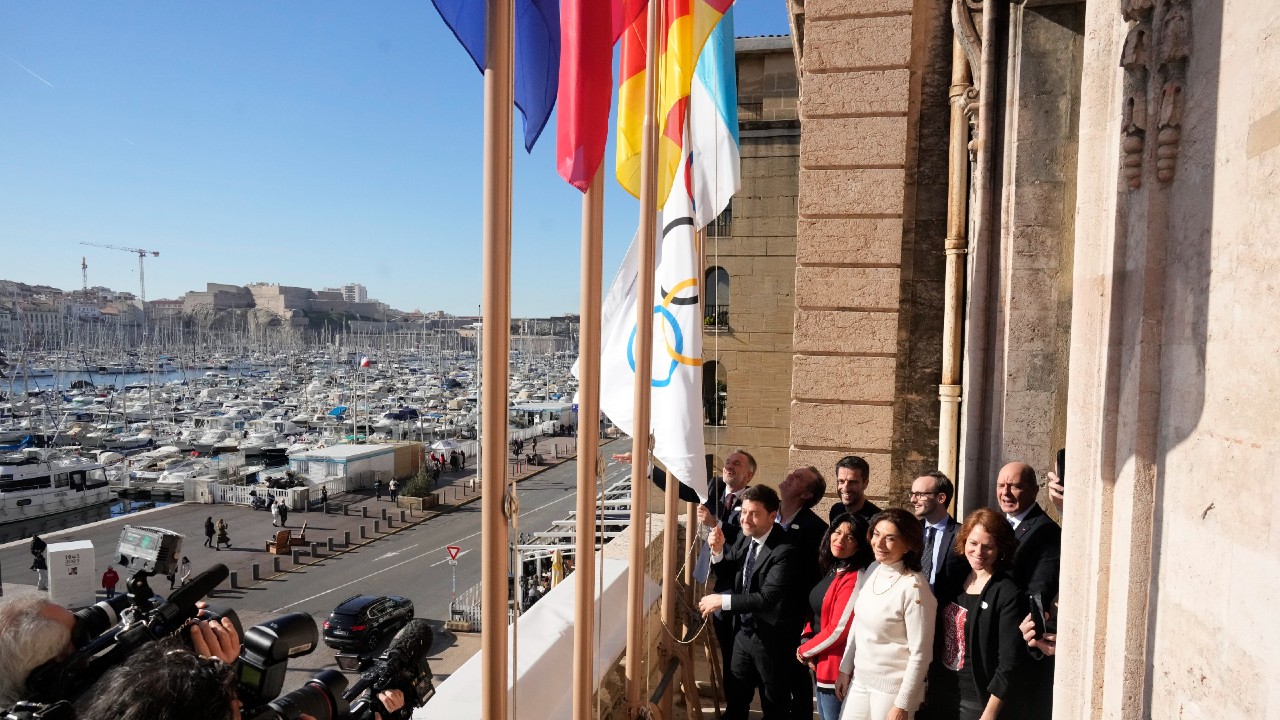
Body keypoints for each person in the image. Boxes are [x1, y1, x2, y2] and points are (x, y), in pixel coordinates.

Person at [698, 485, 804, 720]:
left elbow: (767, 598)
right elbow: (730, 570)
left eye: (753, 513)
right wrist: (717, 551)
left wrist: (722, 601)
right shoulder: (747, 538)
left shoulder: (785, 550)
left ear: (772, 515)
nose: (745, 519)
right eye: (744, 512)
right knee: (736, 701)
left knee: (774, 705)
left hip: (772, 641)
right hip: (742, 636)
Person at [920, 508, 1027, 720]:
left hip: (977, 703)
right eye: (973, 543)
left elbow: (1009, 664)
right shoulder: (953, 580)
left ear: (1000, 549)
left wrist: (989, 714)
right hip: (941, 694)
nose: (979, 552)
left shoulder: (1008, 593)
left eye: (988, 546)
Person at [836, 508, 937, 720]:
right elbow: (859, 623)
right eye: (876, 534)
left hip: (892, 692)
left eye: (890, 538)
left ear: (909, 545)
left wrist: (902, 704)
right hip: (860, 681)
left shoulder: (914, 588)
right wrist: (846, 668)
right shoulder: (874, 568)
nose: (879, 544)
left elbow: (921, 653)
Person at [797, 513, 874, 720]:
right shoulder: (834, 568)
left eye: (849, 537)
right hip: (820, 660)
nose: (840, 540)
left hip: (837, 667)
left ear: (859, 545)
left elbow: (839, 630)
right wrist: (806, 637)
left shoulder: (854, 576)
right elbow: (814, 611)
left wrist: (804, 650)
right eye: (837, 532)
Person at [774, 465, 830, 719]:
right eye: (792, 473)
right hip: (763, 612)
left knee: (795, 676)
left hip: (794, 615)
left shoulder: (816, 529)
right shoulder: (766, 514)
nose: (789, 476)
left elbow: (816, 575)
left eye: (798, 478)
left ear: (807, 495)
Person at [995, 462, 1061, 600]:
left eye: (1015, 486)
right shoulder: (994, 523)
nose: (1005, 493)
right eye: (1001, 485)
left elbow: (1039, 592)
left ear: (1034, 491)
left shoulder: (1047, 532)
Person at [911, 471, 968, 594]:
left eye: (920, 494)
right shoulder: (911, 530)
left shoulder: (963, 534)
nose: (913, 499)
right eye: (913, 494)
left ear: (941, 498)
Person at [830, 455, 881, 524]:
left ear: (865, 484)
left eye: (853, 482)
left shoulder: (877, 521)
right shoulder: (836, 511)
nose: (845, 488)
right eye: (841, 481)